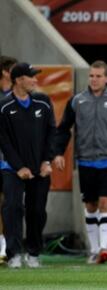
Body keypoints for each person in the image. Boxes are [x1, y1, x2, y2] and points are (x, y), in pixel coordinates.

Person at [53, 60, 107, 264]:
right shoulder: (77, 101)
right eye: (91, 75)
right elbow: (64, 128)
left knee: (105, 202)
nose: (94, 79)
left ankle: (103, 248)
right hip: (85, 161)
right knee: (90, 205)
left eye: (98, 76)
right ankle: (93, 250)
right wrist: (57, 153)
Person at [0, 62, 56, 268]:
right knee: (12, 207)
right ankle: (13, 254)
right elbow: (3, 140)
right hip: (11, 169)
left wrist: (46, 160)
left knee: (37, 211)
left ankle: (33, 253)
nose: (35, 79)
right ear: (18, 80)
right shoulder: (4, 107)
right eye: (31, 76)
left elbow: (52, 132)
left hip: (40, 168)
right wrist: (18, 167)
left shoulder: (43, 102)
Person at [0, 55, 18, 263]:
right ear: (6, 72)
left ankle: (8, 247)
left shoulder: (19, 96)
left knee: (11, 204)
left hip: (12, 160)